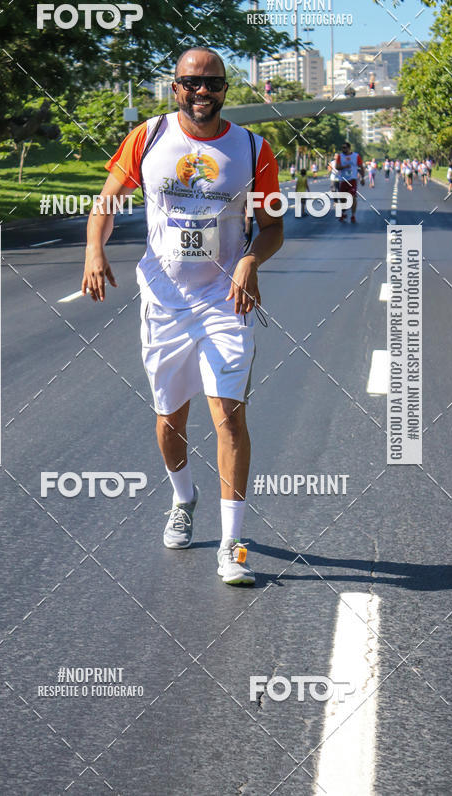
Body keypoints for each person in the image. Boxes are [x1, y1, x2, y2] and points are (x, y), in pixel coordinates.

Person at [82, 46, 283, 585]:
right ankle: (183, 498)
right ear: (176, 89)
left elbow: (272, 228)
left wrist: (248, 261)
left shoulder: (253, 149)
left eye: (212, 83)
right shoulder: (148, 138)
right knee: (171, 418)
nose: (202, 92)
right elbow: (108, 198)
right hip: (164, 301)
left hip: (225, 302)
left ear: (224, 89)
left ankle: (233, 544)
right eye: (191, 84)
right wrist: (94, 251)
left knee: (229, 416)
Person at [335, 141, 364, 223]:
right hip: (343, 180)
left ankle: (353, 215)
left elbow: (361, 167)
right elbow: (337, 167)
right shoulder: (340, 156)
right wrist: (344, 166)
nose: (343, 149)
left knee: (353, 197)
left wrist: (362, 178)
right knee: (343, 198)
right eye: (342, 148)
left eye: (345, 147)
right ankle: (343, 213)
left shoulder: (356, 156)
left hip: (352, 180)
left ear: (349, 148)